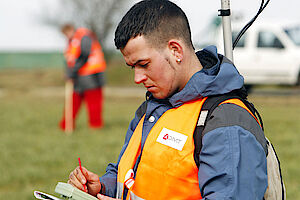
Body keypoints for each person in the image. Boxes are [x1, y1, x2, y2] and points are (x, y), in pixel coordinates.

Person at [67, 0, 268, 199]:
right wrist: (101, 187)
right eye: (132, 67)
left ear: (175, 50)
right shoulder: (150, 108)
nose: (137, 78)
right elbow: (130, 177)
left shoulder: (226, 120)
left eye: (143, 64)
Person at [59, 24, 106, 130]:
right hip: (79, 76)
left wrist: (71, 72)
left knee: (93, 103)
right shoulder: (73, 41)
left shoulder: (84, 37)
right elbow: (71, 59)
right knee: (74, 102)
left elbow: (84, 55)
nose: (66, 36)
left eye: (67, 33)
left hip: (92, 75)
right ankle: (66, 125)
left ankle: (95, 126)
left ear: (71, 29)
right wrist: (70, 73)